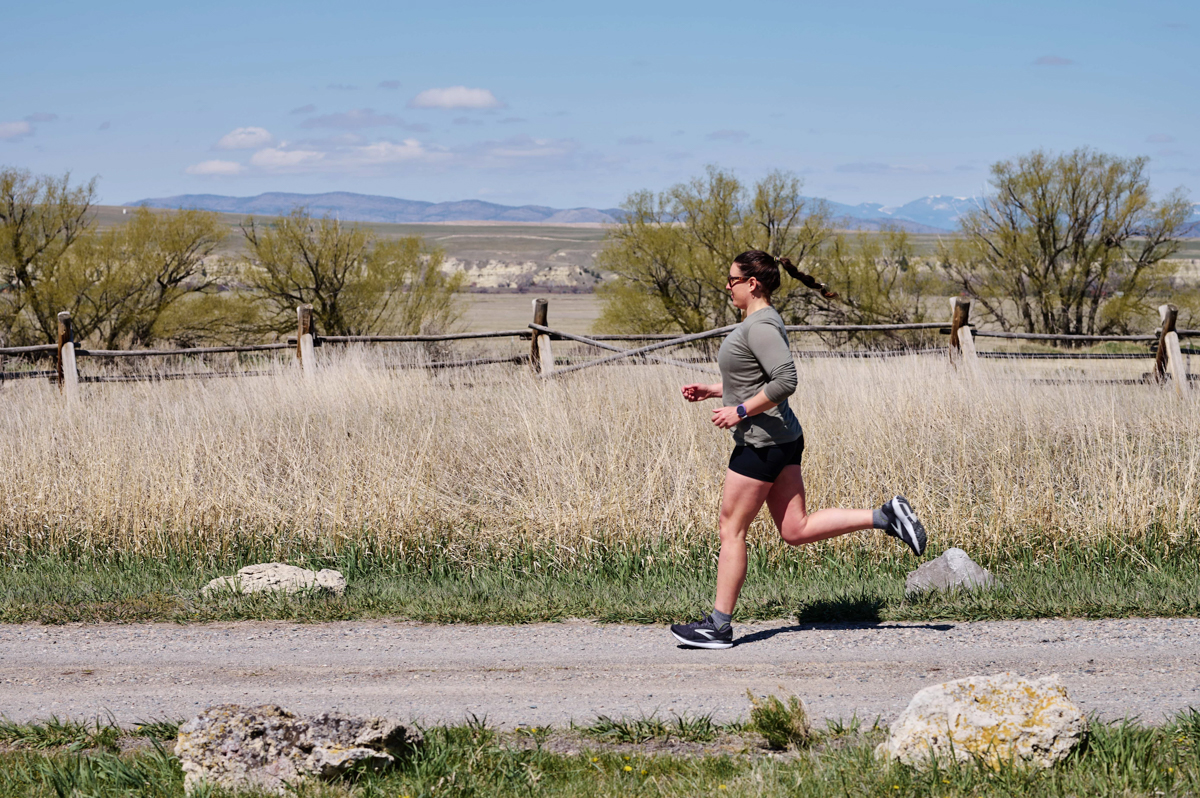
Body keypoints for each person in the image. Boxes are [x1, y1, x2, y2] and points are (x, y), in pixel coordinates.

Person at [669, 250, 927, 650]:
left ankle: (718, 627)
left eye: (732, 279)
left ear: (752, 283)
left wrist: (739, 410)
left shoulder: (760, 326)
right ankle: (886, 516)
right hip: (782, 438)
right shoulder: (761, 323)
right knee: (795, 529)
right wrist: (714, 389)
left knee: (731, 529)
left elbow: (785, 379)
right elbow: (758, 377)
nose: (727, 286)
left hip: (762, 443)